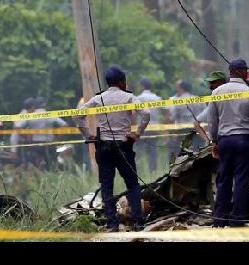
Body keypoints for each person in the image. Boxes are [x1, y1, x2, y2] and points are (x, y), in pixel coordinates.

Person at [76, 66, 150, 232]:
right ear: (121, 82)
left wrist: (88, 135)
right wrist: (137, 133)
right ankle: (138, 222)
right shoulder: (129, 97)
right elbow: (146, 114)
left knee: (107, 185)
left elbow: (77, 115)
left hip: (104, 147)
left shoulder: (98, 98)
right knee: (132, 184)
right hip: (123, 145)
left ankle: (112, 224)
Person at [207, 59, 249, 227]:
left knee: (224, 179)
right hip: (245, 139)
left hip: (225, 140)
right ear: (243, 72)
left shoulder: (217, 92)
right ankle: (237, 218)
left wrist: (214, 140)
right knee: (241, 179)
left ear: (230, 72)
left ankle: (220, 217)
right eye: (245, 70)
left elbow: (212, 120)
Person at [16, 97, 68, 170]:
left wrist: (26, 138)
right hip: (49, 144)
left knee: (35, 167)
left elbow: (18, 128)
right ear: (45, 105)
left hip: (35, 145)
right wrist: (56, 139)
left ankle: (37, 180)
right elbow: (65, 125)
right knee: (51, 166)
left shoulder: (31, 116)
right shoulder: (50, 115)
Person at [135, 78, 163, 175]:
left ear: (142, 86)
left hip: (142, 128)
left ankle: (139, 172)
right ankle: (153, 171)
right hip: (155, 128)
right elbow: (167, 111)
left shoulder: (138, 98)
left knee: (139, 151)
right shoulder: (157, 98)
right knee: (153, 150)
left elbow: (133, 113)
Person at [192, 71, 228, 146]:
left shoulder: (233, 98)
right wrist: (207, 138)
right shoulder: (214, 101)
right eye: (210, 83)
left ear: (221, 83)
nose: (211, 86)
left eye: (213, 82)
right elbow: (196, 123)